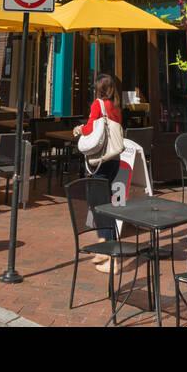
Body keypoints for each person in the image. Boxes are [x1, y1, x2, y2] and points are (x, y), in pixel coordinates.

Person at [73, 73, 125, 274]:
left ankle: (110, 256)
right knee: (103, 203)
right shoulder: (115, 107)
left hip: (101, 161)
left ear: (99, 89)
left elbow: (91, 129)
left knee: (98, 205)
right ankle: (103, 246)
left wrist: (79, 129)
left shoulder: (98, 104)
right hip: (115, 159)